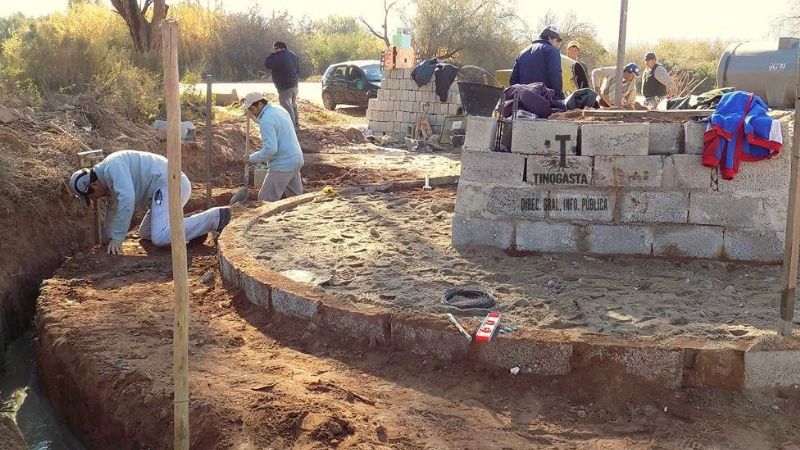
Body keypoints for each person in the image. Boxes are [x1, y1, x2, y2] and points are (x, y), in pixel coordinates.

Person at [69, 150, 231, 255]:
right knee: (146, 232)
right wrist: (109, 238)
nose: (94, 199)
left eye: (91, 196)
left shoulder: (113, 166)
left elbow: (127, 199)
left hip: (171, 185)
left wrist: (118, 237)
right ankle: (195, 228)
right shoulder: (107, 182)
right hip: (162, 192)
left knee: (160, 236)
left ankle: (215, 217)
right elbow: (113, 209)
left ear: (93, 186)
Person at [241, 92, 304, 202]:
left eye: (251, 109)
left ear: (260, 104)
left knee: (265, 201)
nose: (250, 111)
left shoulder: (266, 120)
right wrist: (251, 116)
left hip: (282, 164)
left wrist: (251, 158)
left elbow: (270, 149)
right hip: (295, 160)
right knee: (296, 200)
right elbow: (268, 122)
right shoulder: (278, 110)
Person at [510, 25, 564, 99]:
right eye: (557, 40)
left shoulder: (522, 53)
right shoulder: (552, 51)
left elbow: (513, 80)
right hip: (542, 100)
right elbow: (555, 76)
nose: (557, 43)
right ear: (549, 38)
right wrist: (559, 97)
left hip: (522, 100)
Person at [264, 41, 300, 129]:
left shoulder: (278, 56)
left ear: (277, 48)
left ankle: (291, 128)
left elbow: (267, 64)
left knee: (287, 107)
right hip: (295, 85)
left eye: (274, 48)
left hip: (284, 87)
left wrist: (271, 54)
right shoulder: (293, 55)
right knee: (293, 105)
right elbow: (297, 69)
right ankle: (296, 124)